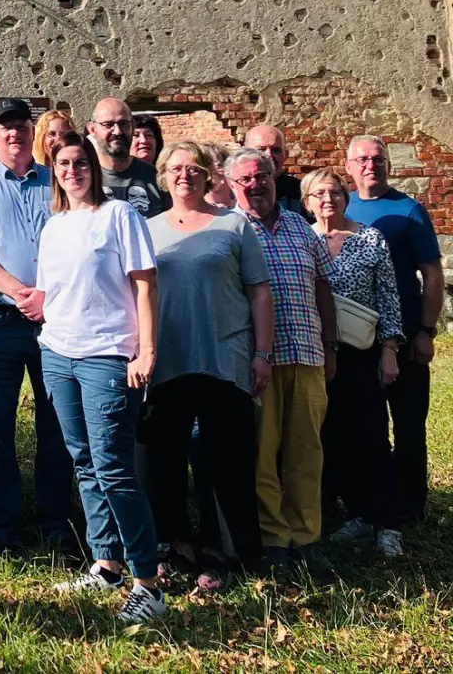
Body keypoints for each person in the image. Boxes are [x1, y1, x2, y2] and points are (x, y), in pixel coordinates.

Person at [34, 131, 166, 623]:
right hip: (58, 354)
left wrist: (146, 350)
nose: (73, 170)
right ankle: (106, 562)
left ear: (94, 167)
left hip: (109, 355)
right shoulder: (54, 226)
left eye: (81, 162)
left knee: (114, 468)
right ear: (55, 171)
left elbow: (146, 284)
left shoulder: (119, 216)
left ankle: (148, 582)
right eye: (64, 163)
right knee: (84, 461)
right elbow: (49, 293)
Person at [138, 141, 272, 586]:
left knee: (226, 461)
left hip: (224, 357)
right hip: (167, 361)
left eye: (194, 168)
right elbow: (136, 296)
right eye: (175, 168)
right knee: (166, 461)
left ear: (208, 176)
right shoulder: (147, 229)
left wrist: (262, 354)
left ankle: (224, 552)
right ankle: (176, 546)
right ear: (162, 176)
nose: (184, 175)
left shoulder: (234, 226)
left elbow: (258, 291)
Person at [0, 98, 73, 552]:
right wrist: (21, 293)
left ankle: (55, 522)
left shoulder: (57, 178)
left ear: (32, 131)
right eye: (5, 127)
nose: (15, 133)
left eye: (22, 125)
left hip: (55, 321)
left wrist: (47, 296)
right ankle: (1, 527)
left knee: (56, 426)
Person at [228, 147, 339, 574]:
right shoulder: (232, 228)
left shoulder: (299, 225)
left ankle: (306, 537)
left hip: (309, 354)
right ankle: (274, 538)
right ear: (233, 186)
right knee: (262, 454)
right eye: (246, 180)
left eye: (263, 177)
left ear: (275, 177)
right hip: (260, 361)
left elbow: (324, 288)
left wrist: (330, 347)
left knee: (306, 451)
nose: (256, 185)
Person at [304, 168, 405, 557]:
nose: (327, 199)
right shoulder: (303, 239)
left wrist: (390, 350)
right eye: (319, 194)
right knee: (329, 437)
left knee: (373, 436)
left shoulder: (369, 238)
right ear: (307, 201)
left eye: (334, 192)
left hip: (361, 353)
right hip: (314, 353)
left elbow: (389, 297)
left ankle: (387, 523)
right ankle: (357, 514)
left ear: (346, 198)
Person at [343, 135, 443, 530]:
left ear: (388, 164)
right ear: (349, 166)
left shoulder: (409, 211)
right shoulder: (340, 206)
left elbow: (432, 274)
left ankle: (410, 505)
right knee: (364, 425)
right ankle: (366, 502)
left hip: (405, 335)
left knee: (408, 423)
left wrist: (427, 331)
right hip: (357, 338)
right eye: (362, 159)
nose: (371, 165)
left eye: (378, 158)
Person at [88, 98, 164, 218]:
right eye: (108, 125)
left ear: (132, 126)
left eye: (123, 124)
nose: (117, 132)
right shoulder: (84, 177)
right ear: (92, 129)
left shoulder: (155, 176)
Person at [244, 124, 306, 219]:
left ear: (285, 155)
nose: (269, 155)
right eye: (261, 149)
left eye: (276, 150)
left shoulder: (300, 192)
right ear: (245, 154)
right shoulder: (234, 192)